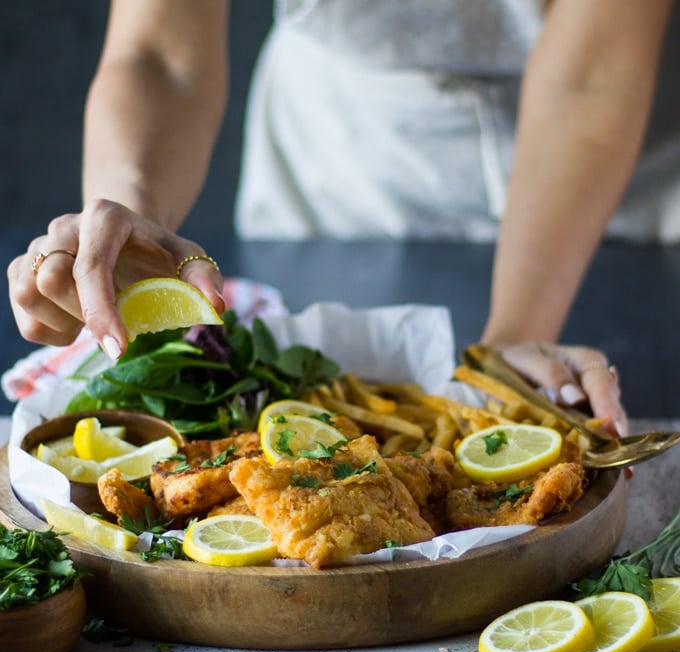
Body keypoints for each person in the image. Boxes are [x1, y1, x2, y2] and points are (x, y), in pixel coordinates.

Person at [6, 0, 677, 436]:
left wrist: (508, 350)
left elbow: (590, 77)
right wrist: (129, 209)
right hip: (343, 150)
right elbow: (158, 52)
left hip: (602, 162)